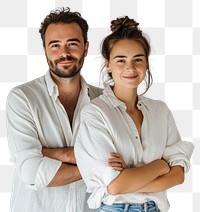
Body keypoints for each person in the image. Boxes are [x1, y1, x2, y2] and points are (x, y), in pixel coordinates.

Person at [74, 16, 194, 212]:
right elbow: (116, 186)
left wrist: (129, 177)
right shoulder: (95, 113)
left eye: (138, 59)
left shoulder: (160, 111)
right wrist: (161, 165)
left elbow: (178, 175)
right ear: (108, 64)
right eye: (121, 60)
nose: (130, 68)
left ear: (146, 64)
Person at [6, 7, 102, 212]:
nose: (64, 53)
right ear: (45, 50)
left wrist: (50, 154)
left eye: (72, 44)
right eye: (55, 45)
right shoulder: (22, 98)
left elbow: (125, 155)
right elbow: (30, 172)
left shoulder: (104, 100)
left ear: (86, 48)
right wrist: (99, 165)